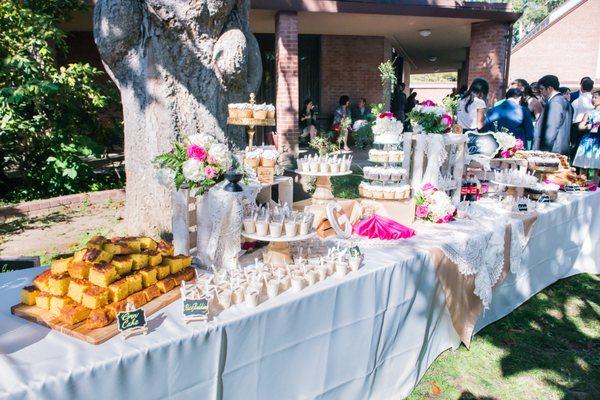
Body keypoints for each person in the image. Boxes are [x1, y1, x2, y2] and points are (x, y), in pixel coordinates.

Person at [534, 75, 572, 155]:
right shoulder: (563, 101)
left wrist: (542, 152)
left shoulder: (555, 103)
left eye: (542, 89)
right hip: (558, 148)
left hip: (552, 151)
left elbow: (550, 130)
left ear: (550, 88)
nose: (540, 92)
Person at [572, 89, 600, 178]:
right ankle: (583, 184)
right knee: (583, 166)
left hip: (598, 142)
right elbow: (580, 126)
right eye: (592, 97)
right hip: (587, 141)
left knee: (596, 168)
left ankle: (595, 188)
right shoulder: (589, 112)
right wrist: (588, 126)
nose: (593, 99)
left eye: (595, 97)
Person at [571, 77, 595, 159]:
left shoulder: (576, 101)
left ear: (581, 87)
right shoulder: (595, 100)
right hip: (592, 126)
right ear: (592, 87)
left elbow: (573, 117)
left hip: (577, 126)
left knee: (576, 149)